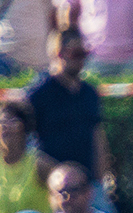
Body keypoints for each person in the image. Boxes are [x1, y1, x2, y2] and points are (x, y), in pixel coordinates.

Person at [24, 28, 113, 199]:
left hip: (88, 184)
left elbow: (97, 137)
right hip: (52, 185)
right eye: (76, 53)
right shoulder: (38, 94)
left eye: (84, 53)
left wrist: (102, 180)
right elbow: (28, 144)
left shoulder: (89, 92)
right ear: (57, 53)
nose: (81, 60)